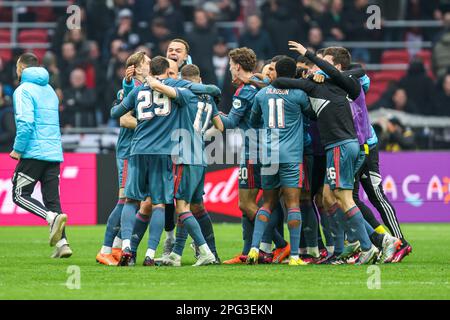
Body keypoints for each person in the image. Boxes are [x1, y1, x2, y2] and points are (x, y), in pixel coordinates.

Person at [110, 56, 216, 266]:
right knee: (159, 204)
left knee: (132, 201)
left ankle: (127, 248)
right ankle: (150, 253)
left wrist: (139, 113)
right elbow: (204, 93)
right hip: (164, 153)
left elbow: (115, 113)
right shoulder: (177, 93)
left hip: (138, 149)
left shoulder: (138, 91)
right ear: (168, 71)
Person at [247, 57, 311, 266]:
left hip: (268, 154)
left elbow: (253, 121)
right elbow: (312, 115)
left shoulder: (262, 94)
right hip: (291, 155)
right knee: (292, 203)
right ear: (293, 74)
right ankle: (294, 257)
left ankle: (254, 249)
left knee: (267, 203)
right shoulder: (299, 95)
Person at [161, 64, 224, 266]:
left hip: (184, 156)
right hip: (201, 158)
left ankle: (205, 251)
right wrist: (202, 136)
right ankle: (177, 254)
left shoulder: (183, 94)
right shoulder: (209, 99)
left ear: (182, 78)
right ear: (199, 78)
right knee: (190, 207)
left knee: (182, 206)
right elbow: (220, 126)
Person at [10, 53, 71, 258]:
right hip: (53, 152)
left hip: (33, 152)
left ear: (21, 69)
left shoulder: (23, 90)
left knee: (19, 194)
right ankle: (63, 244)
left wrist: (18, 149)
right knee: (53, 200)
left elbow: (26, 123)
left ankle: (50, 217)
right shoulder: (50, 90)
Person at [96, 51, 150, 266]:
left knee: (134, 201)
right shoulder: (127, 91)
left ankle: (117, 248)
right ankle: (105, 249)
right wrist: (152, 128)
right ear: (135, 68)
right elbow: (123, 120)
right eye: (146, 63)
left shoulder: (147, 90)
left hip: (142, 151)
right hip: (129, 151)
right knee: (125, 200)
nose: (150, 66)